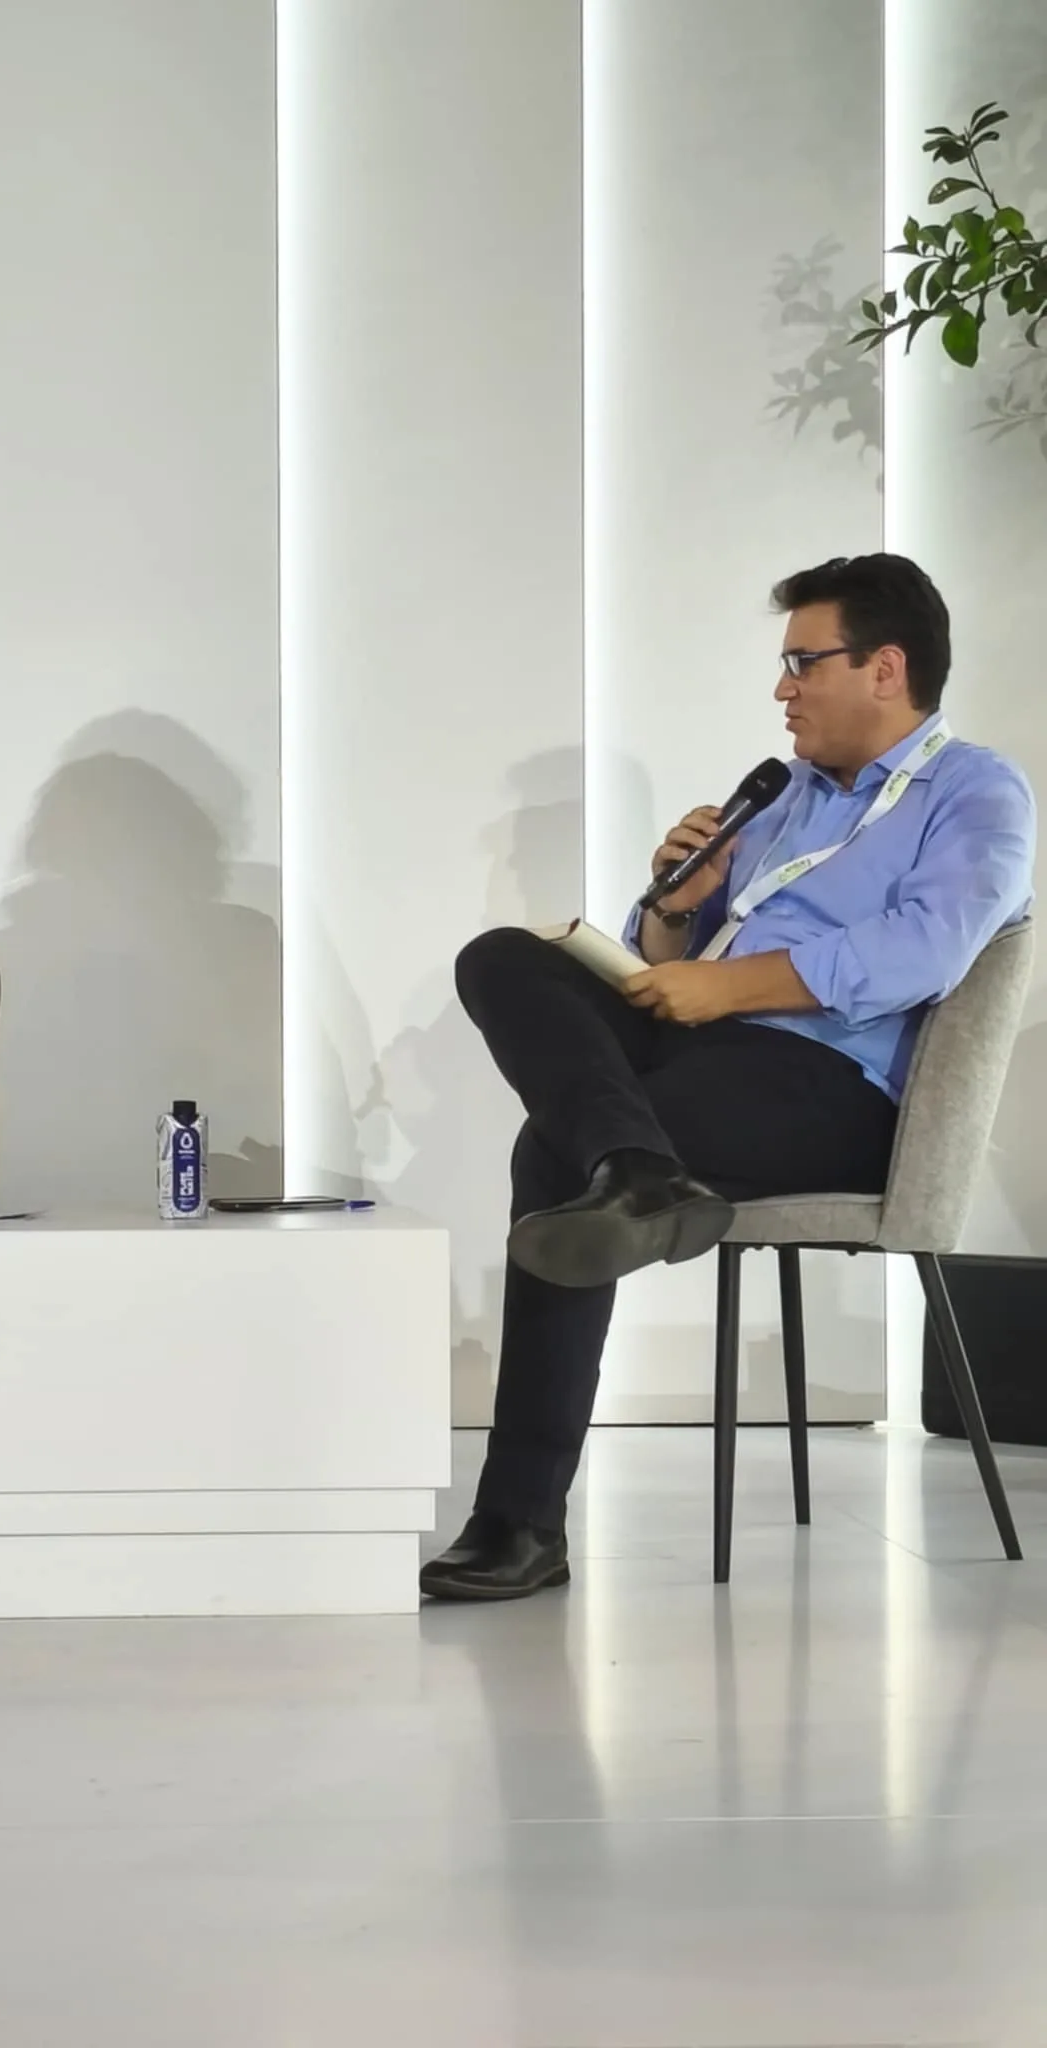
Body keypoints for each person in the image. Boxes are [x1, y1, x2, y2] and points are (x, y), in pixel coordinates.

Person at [421, 552, 1035, 1602]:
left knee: (551, 1150)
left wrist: (730, 985)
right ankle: (639, 1168)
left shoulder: (978, 792)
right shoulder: (786, 799)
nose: (783, 688)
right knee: (502, 957)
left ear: (886, 667)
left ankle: (519, 1522)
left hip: (831, 1086)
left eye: (805, 661)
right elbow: (669, 963)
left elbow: (926, 949)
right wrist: (676, 905)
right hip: (705, 1051)